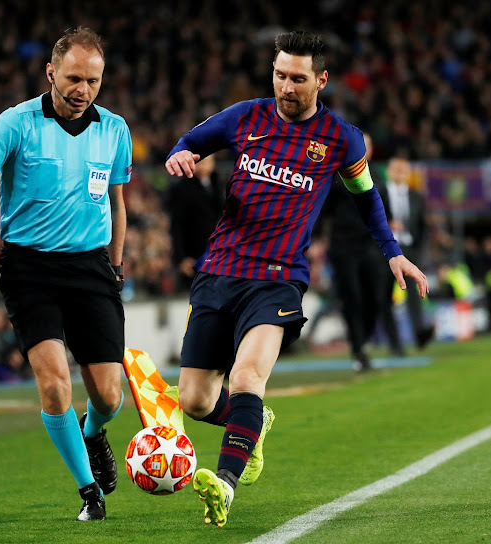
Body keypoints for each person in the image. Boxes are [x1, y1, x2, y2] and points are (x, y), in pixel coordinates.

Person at [164, 30, 429, 528]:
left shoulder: (340, 139)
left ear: (321, 80)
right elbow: (189, 142)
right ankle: (252, 423)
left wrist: (393, 253)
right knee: (196, 401)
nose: (287, 85)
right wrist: (180, 154)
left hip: (278, 279)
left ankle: (223, 483)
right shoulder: (246, 116)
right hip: (220, 270)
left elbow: (366, 197)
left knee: (247, 378)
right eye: (280, 75)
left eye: (298, 78)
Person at [0, 27, 132, 522]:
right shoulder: (16, 123)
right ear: (51, 72)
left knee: (110, 398)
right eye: (73, 78)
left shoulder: (114, 129)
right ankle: (90, 493)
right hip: (30, 269)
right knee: (54, 385)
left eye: (93, 81)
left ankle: (94, 434)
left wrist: (116, 262)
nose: (82, 90)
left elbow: (116, 198)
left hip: (92, 268)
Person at [319, 132, 404, 371]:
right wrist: (314, 238)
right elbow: (322, 208)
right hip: (343, 245)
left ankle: (363, 339)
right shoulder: (336, 174)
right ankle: (359, 349)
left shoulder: (377, 174)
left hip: (371, 245)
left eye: (366, 144)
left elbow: (383, 209)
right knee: (352, 297)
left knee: (376, 298)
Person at [384, 157, 434, 348]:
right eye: (396, 169)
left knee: (415, 292)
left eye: (403, 170)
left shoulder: (416, 197)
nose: (399, 173)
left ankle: (420, 333)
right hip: (386, 249)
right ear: (389, 172)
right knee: (385, 294)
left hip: (409, 250)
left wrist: (419, 253)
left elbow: (422, 228)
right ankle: (394, 343)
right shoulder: (379, 194)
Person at [167, 153, 225, 291]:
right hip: (194, 255)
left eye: (208, 161)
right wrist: (181, 258)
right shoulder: (181, 188)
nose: (204, 165)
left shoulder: (219, 184)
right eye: (200, 162)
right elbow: (177, 225)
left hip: (219, 255)